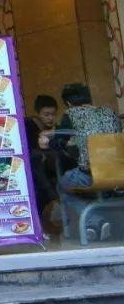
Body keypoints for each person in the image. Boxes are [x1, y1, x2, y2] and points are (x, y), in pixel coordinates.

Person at [53, 83, 122, 242]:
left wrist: (51, 141)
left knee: (63, 185)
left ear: (68, 103)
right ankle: (94, 225)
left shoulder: (71, 113)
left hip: (90, 175)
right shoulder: (110, 113)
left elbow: (58, 140)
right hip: (118, 175)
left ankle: (94, 220)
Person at [24, 94, 59, 218]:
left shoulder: (56, 129)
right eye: (46, 114)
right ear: (38, 113)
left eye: (53, 114)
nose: (50, 118)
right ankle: (53, 200)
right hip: (33, 165)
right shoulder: (28, 125)